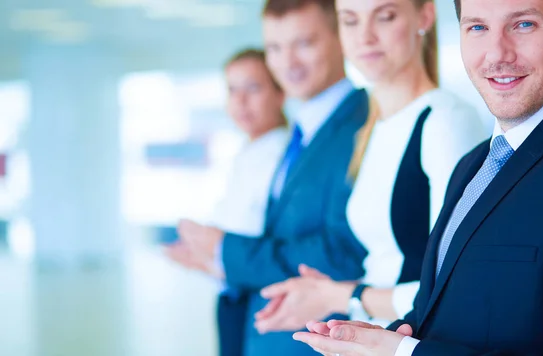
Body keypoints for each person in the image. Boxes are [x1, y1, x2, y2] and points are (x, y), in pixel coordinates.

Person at [294, 0, 543, 354]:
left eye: (523, 25)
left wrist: (403, 352)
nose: (497, 53)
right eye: (477, 28)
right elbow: (441, 310)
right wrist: (378, 338)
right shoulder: (474, 165)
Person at [254, 0, 487, 333]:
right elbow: (388, 264)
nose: (365, 37)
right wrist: (323, 293)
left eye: (385, 17)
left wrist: (341, 295)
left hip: (411, 340)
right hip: (371, 339)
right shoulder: (373, 127)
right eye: (350, 21)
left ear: (424, 15)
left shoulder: (444, 121)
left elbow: (458, 287)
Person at [167, 0, 370, 355]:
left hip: (319, 339)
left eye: (304, 44)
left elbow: (344, 252)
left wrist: (223, 250)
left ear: (340, 37)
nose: (287, 63)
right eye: (275, 48)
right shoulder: (302, 132)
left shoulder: (364, 125)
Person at [166, 48, 289, 356]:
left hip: (258, 299)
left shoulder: (285, 156)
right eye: (233, 90)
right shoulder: (246, 151)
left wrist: (214, 256)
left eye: (253, 88)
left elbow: (265, 242)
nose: (240, 102)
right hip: (232, 293)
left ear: (280, 92)